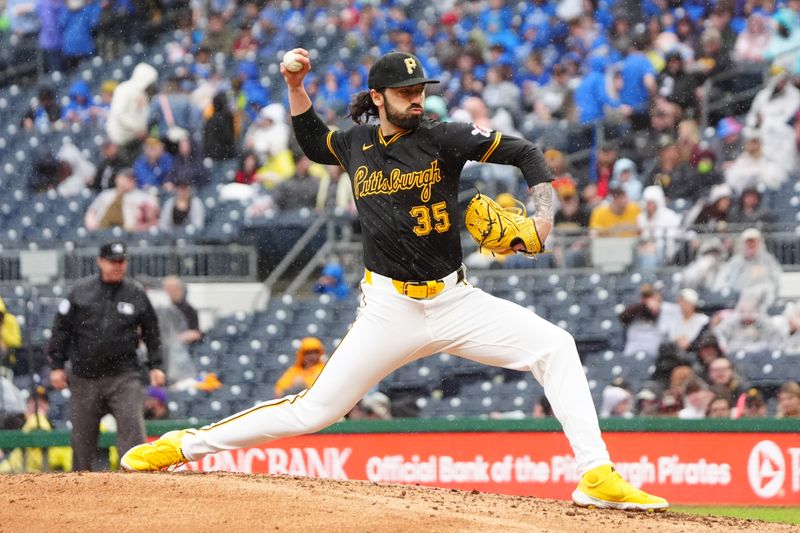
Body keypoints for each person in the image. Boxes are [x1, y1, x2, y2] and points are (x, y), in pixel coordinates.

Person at [122, 49, 667, 511]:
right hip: (389, 309)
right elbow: (314, 142)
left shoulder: (444, 137)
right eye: (406, 90)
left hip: (455, 300)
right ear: (378, 98)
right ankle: (181, 446)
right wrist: (295, 85)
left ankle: (596, 476)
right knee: (314, 411)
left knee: (556, 346)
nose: (417, 97)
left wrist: (542, 214)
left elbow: (525, 153)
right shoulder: (357, 145)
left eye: (420, 88)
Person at [47, 241, 165, 471]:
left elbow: (152, 331)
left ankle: (138, 486)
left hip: (124, 376)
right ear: (100, 261)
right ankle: (80, 491)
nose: (117, 266)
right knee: (82, 441)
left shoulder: (135, 293)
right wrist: (56, 365)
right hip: (85, 377)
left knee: (133, 434)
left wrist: (156, 365)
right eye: (112, 261)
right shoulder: (80, 291)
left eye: (121, 261)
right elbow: (61, 329)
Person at [712, 228, 782, 308]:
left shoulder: (767, 262)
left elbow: (774, 283)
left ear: (760, 243)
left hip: (759, 304)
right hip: (735, 303)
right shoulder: (735, 262)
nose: (751, 245)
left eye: (754, 242)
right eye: (748, 242)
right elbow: (722, 281)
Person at [84, 168, 159, 232]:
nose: (128, 180)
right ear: (117, 179)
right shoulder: (106, 194)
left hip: (130, 233)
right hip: (103, 230)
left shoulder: (144, 196)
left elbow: (154, 220)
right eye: (125, 177)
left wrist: (141, 227)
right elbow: (91, 212)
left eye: (131, 178)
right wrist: (92, 226)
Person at [157, 276, 201, 385]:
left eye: (172, 289)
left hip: (183, 351)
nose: (169, 292)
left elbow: (196, 333)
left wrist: (177, 339)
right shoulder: (162, 309)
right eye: (167, 289)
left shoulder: (189, 310)